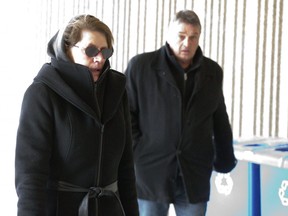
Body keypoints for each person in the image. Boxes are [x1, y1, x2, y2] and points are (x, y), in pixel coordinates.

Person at [15, 14, 139, 216]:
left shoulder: (117, 91)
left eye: (105, 51)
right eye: (90, 50)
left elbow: (126, 169)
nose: (99, 58)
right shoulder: (42, 93)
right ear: (66, 50)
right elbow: (30, 176)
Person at [125, 10, 237, 216]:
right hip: (150, 172)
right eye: (181, 36)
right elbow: (125, 115)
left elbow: (219, 118)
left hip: (194, 173)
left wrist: (225, 159)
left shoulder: (212, 72)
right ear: (169, 34)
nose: (187, 43)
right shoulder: (141, 67)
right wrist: (137, 151)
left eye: (193, 37)